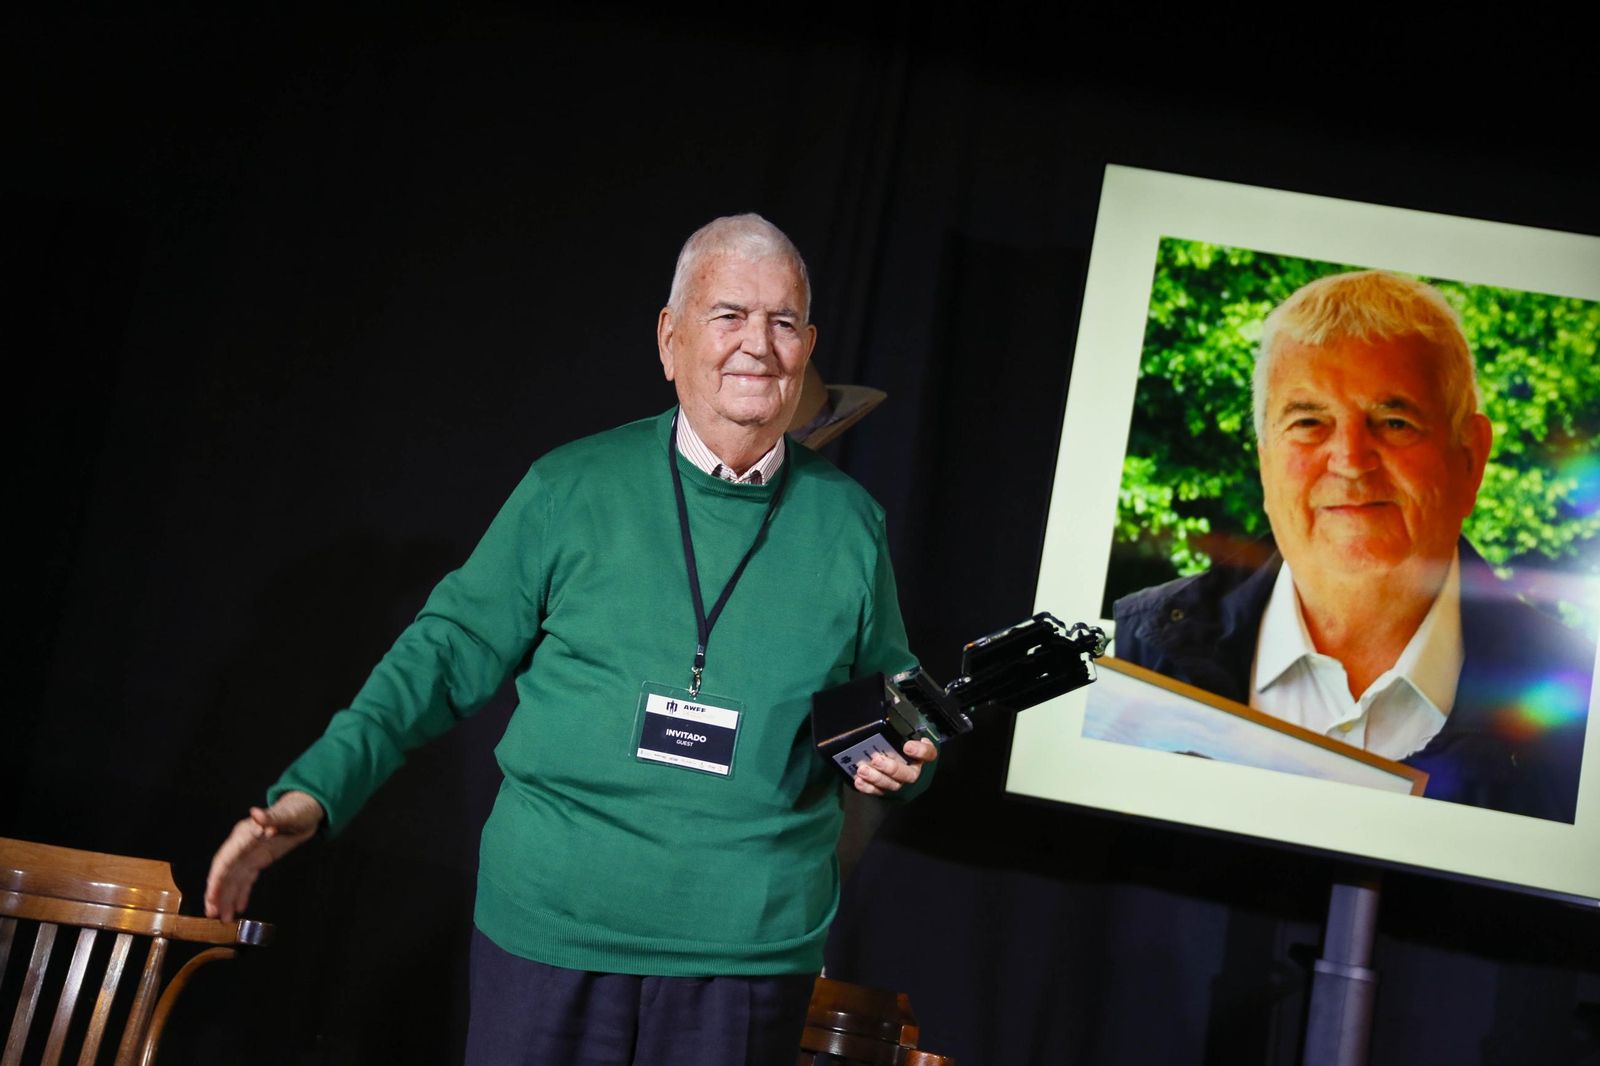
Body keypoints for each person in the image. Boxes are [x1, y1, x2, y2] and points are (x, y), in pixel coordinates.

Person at [204, 213, 937, 1065]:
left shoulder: (851, 527)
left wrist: (901, 754)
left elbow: (895, 708)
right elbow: (441, 656)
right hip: (550, 936)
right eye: (728, 315)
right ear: (670, 338)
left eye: (782, 323)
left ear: (807, 346)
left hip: (744, 961)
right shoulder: (571, 487)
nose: (756, 345)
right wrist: (315, 792)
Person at [1114, 270, 1592, 823]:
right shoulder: (1137, 661)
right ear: (1264, 459)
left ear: (1469, 459)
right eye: (1309, 421)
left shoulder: (1580, 719)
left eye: (1393, 422)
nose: (1350, 460)